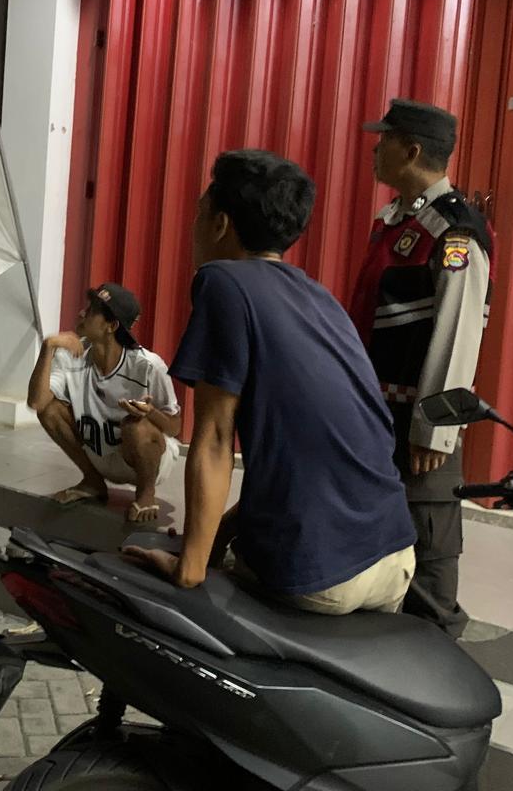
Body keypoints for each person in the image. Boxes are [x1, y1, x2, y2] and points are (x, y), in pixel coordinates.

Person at [123, 150, 416, 616]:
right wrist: (217, 538)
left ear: (220, 224)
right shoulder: (319, 298)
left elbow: (215, 438)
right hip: (395, 556)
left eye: (199, 214)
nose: (193, 227)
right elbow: (316, 453)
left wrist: (191, 566)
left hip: (319, 572)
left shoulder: (222, 281)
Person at [349, 99, 494, 637]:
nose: (374, 148)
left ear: (411, 151)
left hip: (417, 428)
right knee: (375, 550)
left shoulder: (454, 230)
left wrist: (434, 428)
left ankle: (437, 669)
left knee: (428, 565)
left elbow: (458, 331)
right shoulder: (395, 222)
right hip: (376, 418)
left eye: (383, 140)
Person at [27, 284, 181, 523]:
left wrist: (150, 412)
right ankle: (93, 481)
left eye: (91, 311)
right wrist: (48, 347)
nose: (81, 313)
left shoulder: (148, 366)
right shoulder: (70, 356)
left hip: (144, 458)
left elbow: (174, 427)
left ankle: (146, 493)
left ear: (111, 326)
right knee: (50, 410)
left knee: (136, 426)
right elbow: (38, 402)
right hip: (99, 453)